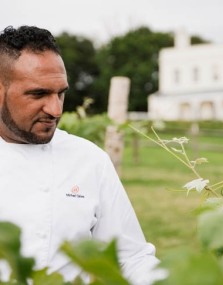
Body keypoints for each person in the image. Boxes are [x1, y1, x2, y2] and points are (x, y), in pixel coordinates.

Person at [0, 25, 163, 285]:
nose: (55, 109)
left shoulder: (90, 160)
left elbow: (130, 258)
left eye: (61, 94)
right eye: (38, 93)